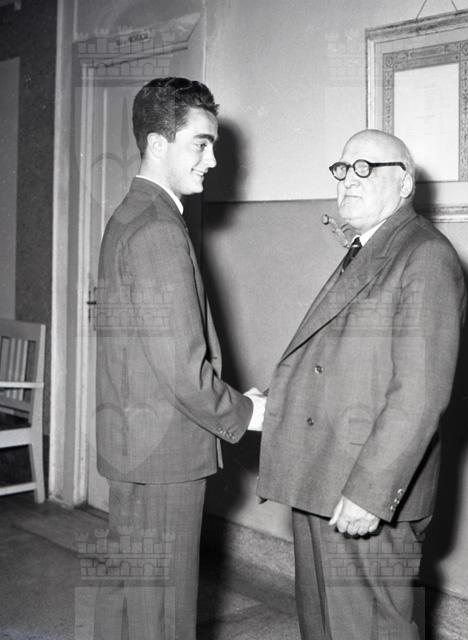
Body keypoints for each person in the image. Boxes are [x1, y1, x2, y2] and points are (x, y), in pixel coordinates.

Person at [257, 129, 465, 639]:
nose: (349, 179)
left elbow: (419, 394)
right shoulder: (368, 247)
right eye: (343, 168)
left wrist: (371, 494)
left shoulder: (425, 255)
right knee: (323, 627)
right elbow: (342, 361)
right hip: (322, 478)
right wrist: (277, 403)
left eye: (367, 168)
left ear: (405, 184)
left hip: (364, 493)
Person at [94, 77, 266, 640]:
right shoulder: (158, 229)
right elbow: (183, 369)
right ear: (156, 143)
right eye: (201, 143)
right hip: (165, 456)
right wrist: (246, 411)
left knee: (129, 606)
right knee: (164, 617)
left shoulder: (131, 215)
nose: (212, 160)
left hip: (136, 446)